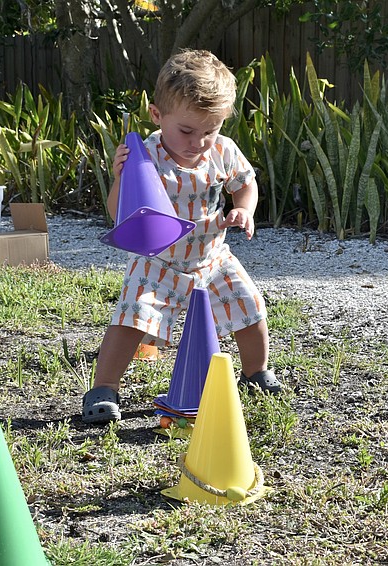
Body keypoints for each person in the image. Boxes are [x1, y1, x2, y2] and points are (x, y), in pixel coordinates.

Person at [82, 49, 283, 424]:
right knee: (131, 319)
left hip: (212, 256)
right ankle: (104, 387)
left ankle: (256, 373)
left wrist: (245, 208)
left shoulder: (222, 150)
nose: (199, 141)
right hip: (157, 259)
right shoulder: (145, 155)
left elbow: (246, 183)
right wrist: (120, 178)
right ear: (158, 115)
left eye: (211, 129)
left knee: (250, 306)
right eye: (187, 131)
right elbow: (119, 213)